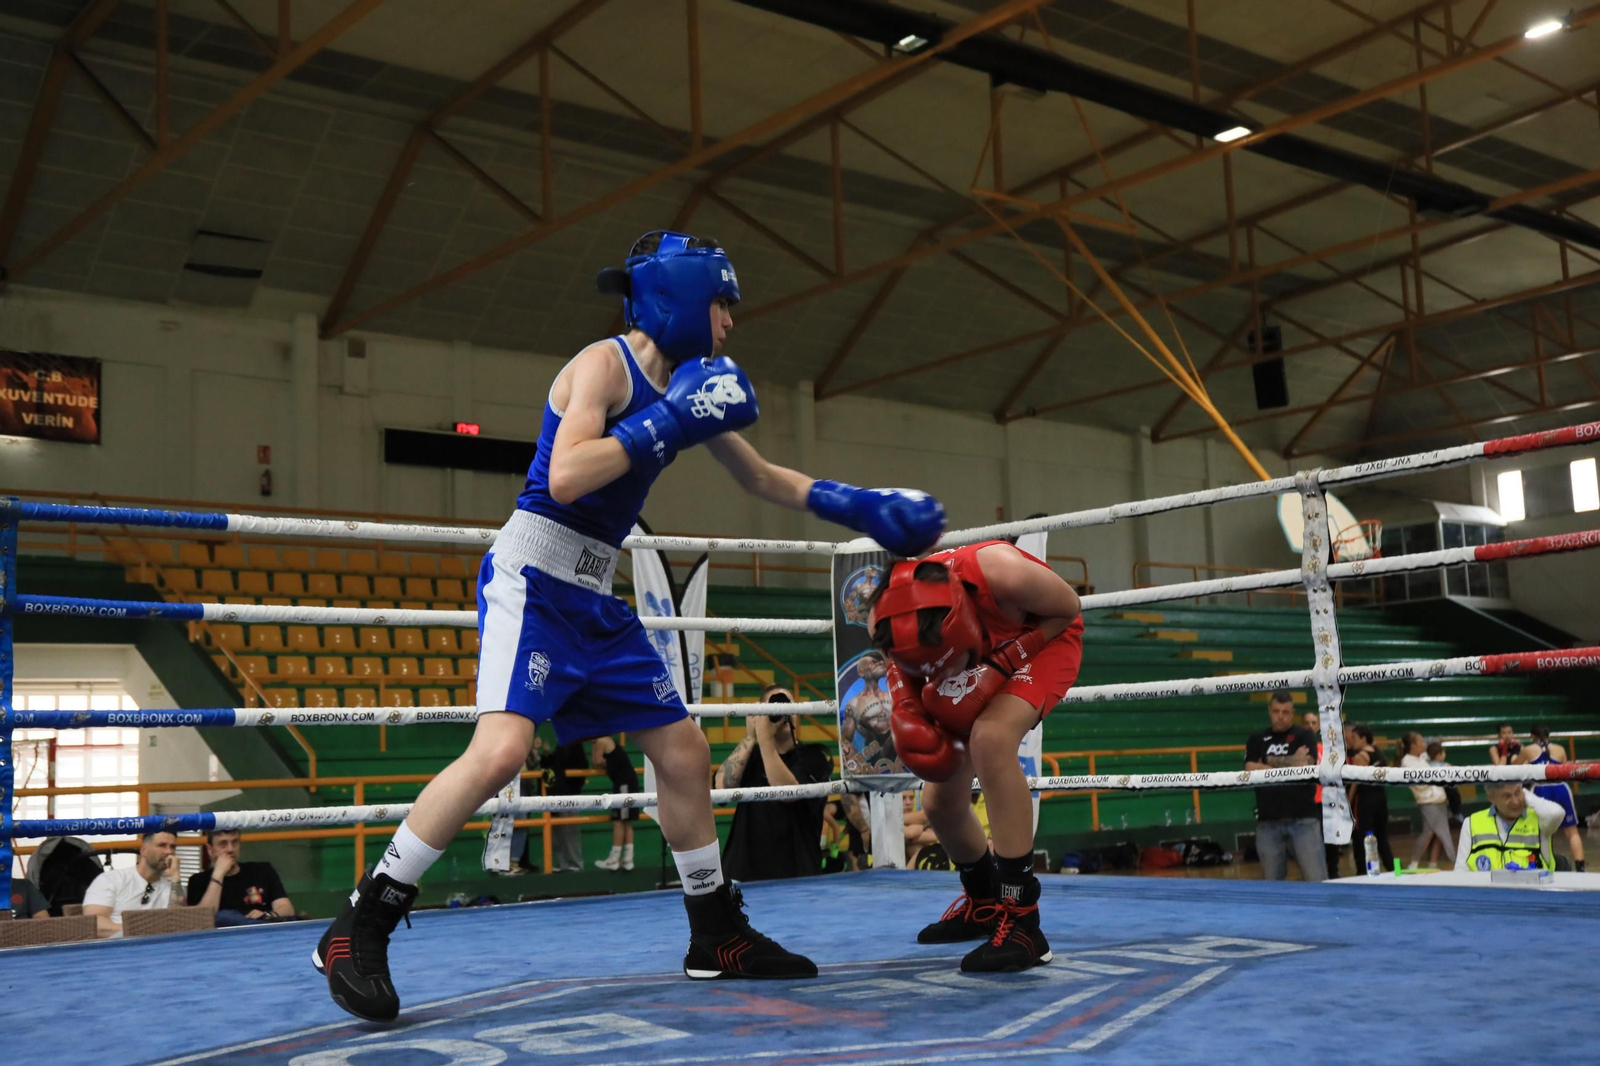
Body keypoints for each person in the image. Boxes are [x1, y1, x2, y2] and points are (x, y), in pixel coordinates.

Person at [315, 230, 945, 1022]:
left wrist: (863, 506)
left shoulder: (690, 385)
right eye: (723, 303)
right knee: (503, 750)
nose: (731, 323)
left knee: (683, 753)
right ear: (678, 296)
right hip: (535, 580)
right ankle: (360, 923)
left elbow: (761, 477)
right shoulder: (600, 364)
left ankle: (714, 931)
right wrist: (667, 424)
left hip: (596, 599)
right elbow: (569, 475)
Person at [871, 539, 1084, 972]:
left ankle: (1023, 921)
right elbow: (897, 663)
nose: (941, 679)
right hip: (972, 650)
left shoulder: (1005, 573)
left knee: (990, 738)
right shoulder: (889, 613)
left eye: (943, 667)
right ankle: (984, 903)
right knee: (939, 802)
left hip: (1045, 638)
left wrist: (1005, 661)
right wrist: (909, 707)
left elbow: (1069, 608)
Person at [718, 686, 834, 881]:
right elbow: (722, 789)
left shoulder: (815, 757)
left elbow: (788, 794)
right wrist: (750, 736)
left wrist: (765, 740)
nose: (783, 713)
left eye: (787, 705)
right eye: (775, 706)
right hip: (744, 874)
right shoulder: (749, 756)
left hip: (796, 875)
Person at [1243, 691, 1325, 882]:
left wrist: (1268, 761)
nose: (1280, 716)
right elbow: (1250, 768)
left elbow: (1305, 764)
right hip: (1268, 821)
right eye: (1276, 711)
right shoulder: (1257, 739)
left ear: (1292, 712)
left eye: (1285, 712)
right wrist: (1290, 760)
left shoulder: (1305, 735)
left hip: (1303, 819)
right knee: (1272, 885)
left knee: (1317, 880)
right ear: (1269, 711)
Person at [82, 830, 181, 938]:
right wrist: (139, 932)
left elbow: (180, 921)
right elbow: (93, 924)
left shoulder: (172, 885)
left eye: (173, 847)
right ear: (144, 850)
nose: (169, 852)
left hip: (158, 948)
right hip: (116, 948)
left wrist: (175, 877)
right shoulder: (111, 879)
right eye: (162, 845)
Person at [186, 828, 296, 923]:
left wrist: (266, 915)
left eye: (235, 842)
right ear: (210, 850)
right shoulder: (197, 881)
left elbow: (287, 908)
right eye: (223, 844)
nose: (230, 849)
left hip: (260, 934)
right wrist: (218, 875)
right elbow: (203, 920)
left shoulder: (263, 870)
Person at [1516, 724, 1586, 871]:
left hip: (1540, 790)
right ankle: (1580, 868)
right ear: (1549, 735)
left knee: (1537, 830)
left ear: (1532, 736)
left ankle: (1538, 865)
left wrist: (1522, 756)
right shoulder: (1560, 749)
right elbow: (1567, 770)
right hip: (1560, 788)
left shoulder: (1528, 750)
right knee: (1572, 831)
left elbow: (1512, 768)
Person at [1456, 781, 1568, 872]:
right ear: (1491, 798)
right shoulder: (1471, 823)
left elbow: (1557, 813)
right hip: (1487, 896)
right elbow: (1460, 872)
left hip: (1532, 896)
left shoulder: (1539, 820)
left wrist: (1528, 796)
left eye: (1517, 792)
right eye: (1507, 796)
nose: (1515, 802)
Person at [1398, 732, 1455, 868]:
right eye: (1421, 742)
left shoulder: (1422, 758)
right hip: (1428, 801)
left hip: (1439, 800)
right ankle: (1414, 863)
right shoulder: (1407, 761)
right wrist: (1436, 777)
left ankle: (1432, 863)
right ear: (1413, 745)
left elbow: (1433, 750)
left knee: (1434, 833)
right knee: (1432, 833)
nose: (1424, 744)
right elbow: (1419, 784)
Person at [1344, 722, 1393, 872]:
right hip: (1380, 798)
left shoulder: (1361, 756)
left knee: (1363, 839)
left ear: (1363, 738)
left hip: (1365, 801)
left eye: (1354, 737)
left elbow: (1355, 782)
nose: (1351, 741)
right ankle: (1395, 871)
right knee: (1382, 838)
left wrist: (1348, 802)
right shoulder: (1377, 752)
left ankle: (1366, 873)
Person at [590, 734, 642, 872]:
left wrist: (595, 749)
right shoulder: (603, 740)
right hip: (624, 782)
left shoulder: (601, 740)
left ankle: (614, 860)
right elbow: (597, 762)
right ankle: (627, 859)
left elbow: (596, 762)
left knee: (619, 820)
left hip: (624, 784)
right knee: (625, 821)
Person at [840, 652, 896, 774]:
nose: (880, 663)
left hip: (899, 756)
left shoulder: (893, 696)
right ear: (861, 672)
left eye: (880, 661)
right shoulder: (854, 704)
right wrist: (853, 764)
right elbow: (845, 740)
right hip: (873, 754)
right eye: (873, 662)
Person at [1302, 709, 1341, 878]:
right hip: (1307, 802)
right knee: (1311, 843)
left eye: (1314, 723)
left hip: (1326, 800)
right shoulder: (1298, 748)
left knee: (1331, 841)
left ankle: (1333, 874)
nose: (1310, 726)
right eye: (1307, 723)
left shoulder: (1325, 749)